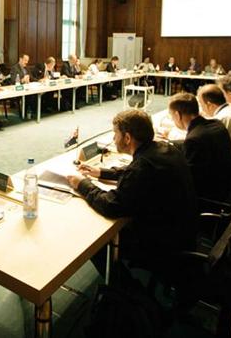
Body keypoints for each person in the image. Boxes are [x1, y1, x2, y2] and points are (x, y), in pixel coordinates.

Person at [66, 110, 197, 272]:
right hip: (184, 229)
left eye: (115, 134)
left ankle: (124, 291)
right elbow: (133, 171)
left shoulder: (141, 167)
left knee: (95, 244)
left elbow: (111, 205)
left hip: (164, 242)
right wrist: (102, 172)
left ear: (127, 138)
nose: (114, 139)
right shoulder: (162, 148)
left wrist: (82, 184)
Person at [166, 93, 231, 203]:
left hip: (211, 196)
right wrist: (168, 143)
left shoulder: (194, 139)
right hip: (229, 186)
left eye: (171, 116)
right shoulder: (216, 124)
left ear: (177, 115)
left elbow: (189, 180)